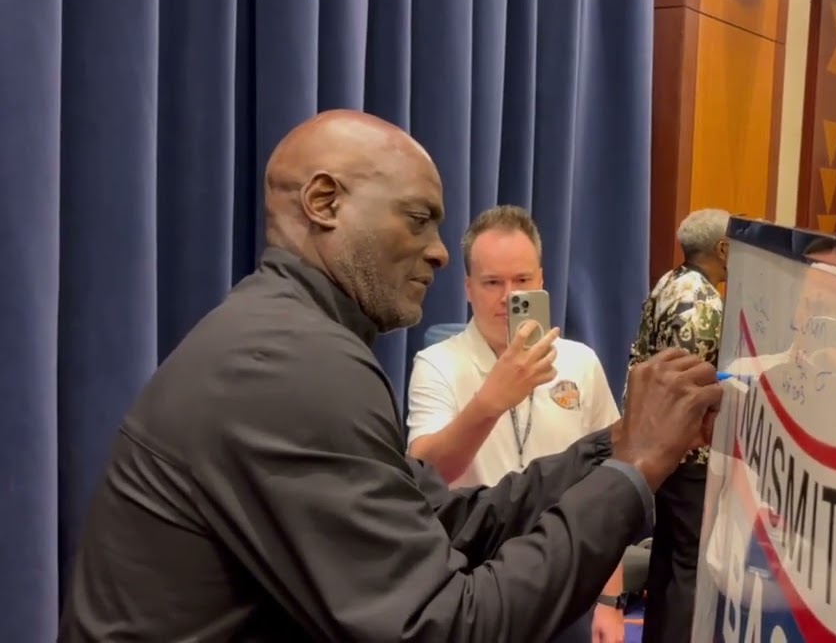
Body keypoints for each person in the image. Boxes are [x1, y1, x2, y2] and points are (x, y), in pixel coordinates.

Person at [57, 110, 722, 642]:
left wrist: (614, 441)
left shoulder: (291, 337)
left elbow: (448, 518)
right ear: (324, 202)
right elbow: (447, 625)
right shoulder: (293, 364)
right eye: (417, 219)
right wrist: (631, 472)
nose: (436, 251)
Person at [406, 205, 625, 643]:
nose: (508, 297)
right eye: (492, 283)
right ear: (468, 288)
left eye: (522, 281)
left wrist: (610, 599)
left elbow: (610, 483)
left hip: (567, 580)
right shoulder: (437, 365)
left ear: (541, 281)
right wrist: (489, 401)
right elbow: (424, 475)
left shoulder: (579, 364)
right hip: (473, 585)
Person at [627, 207, 728, 643]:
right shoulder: (701, 302)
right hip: (689, 452)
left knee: (667, 560)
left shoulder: (668, 283)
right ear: (724, 249)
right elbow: (690, 388)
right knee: (691, 566)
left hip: (662, 446)